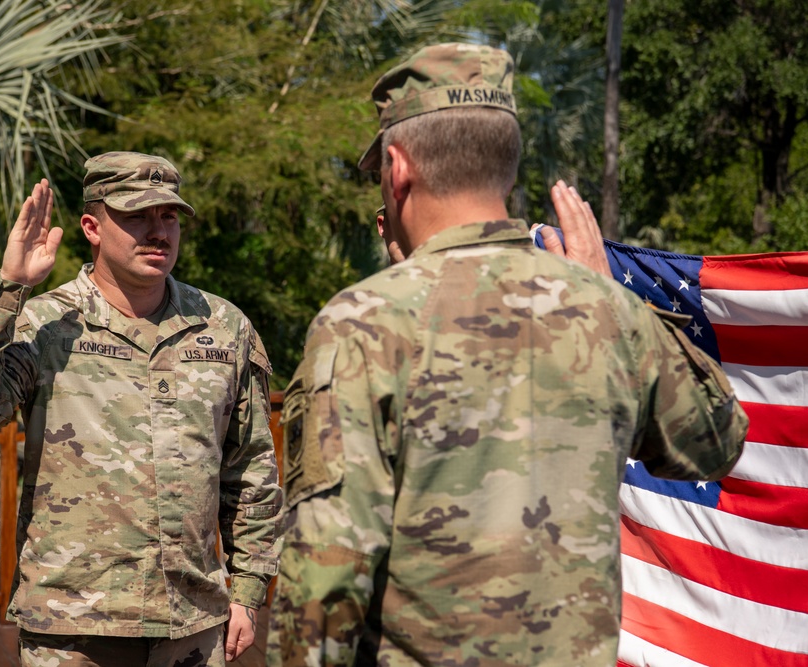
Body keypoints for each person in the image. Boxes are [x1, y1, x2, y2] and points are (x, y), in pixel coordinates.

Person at [268, 43, 748, 666]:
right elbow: (718, 439)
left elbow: (322, 586)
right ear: (507, 167)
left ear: (397, 166)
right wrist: (615, 298)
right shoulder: (607, 312)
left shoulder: (363, 324)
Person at [0, 152, 283, 666]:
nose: (159, 231)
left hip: (193, 623)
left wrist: (247, 591)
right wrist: (7, 290)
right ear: (92, 226)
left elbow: (249, 468)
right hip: (73, 627)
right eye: (137, 215)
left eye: (170, 215)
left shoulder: (223, 326)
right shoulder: (46, 325)